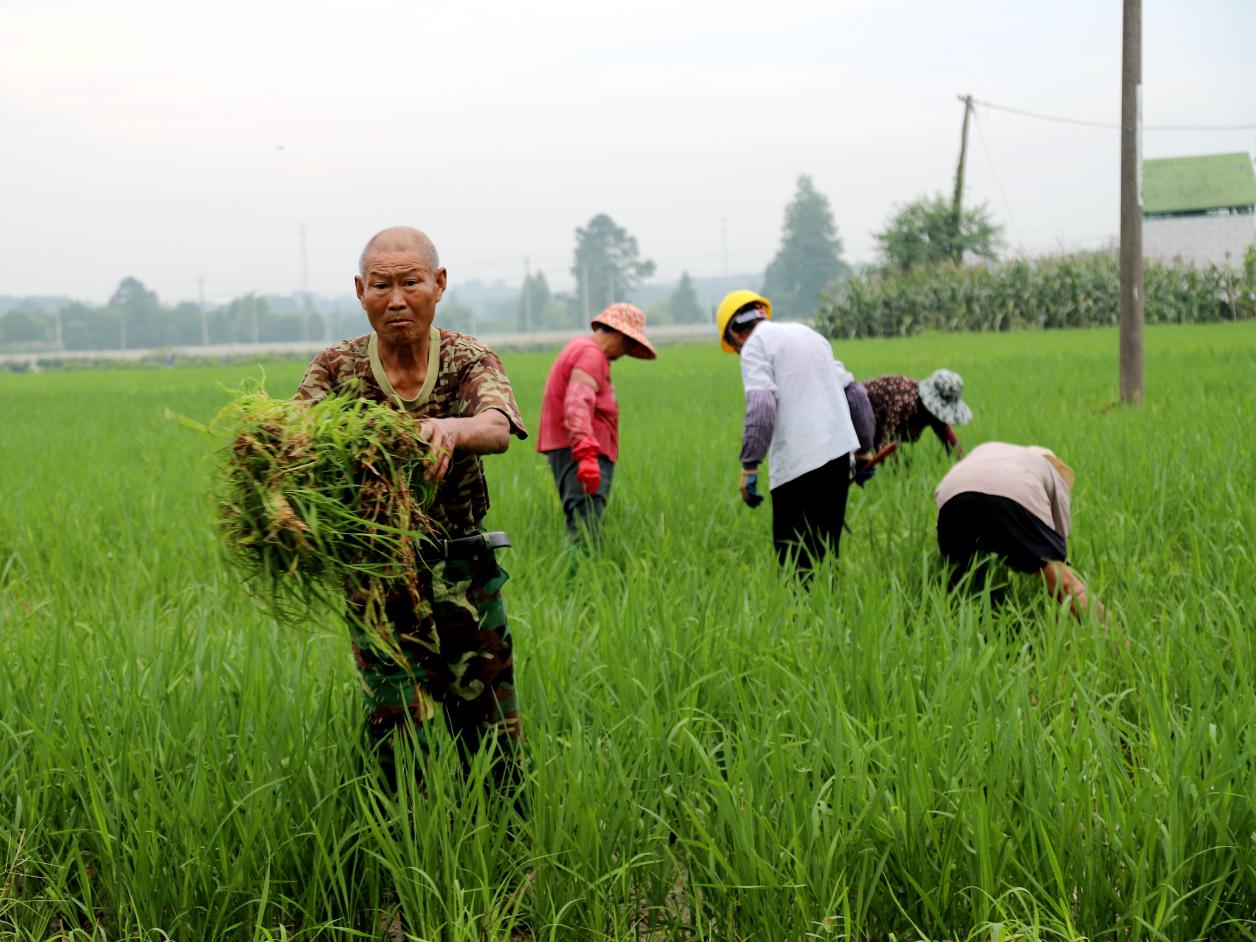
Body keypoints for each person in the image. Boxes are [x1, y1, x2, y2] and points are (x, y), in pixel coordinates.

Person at [295, 226, 528, 789]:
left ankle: (510, 859)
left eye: (410, 282)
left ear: (438, 284)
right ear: (360, 291)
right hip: (377, 579)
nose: (396, 299)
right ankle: (407, 853)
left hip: (461, 575)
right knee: (396, 735)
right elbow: (294, 437)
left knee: (491, 736)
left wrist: (447, 428)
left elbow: (496, 427)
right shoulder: (336, 369)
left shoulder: (468, 359)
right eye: (381, 285)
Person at [716, 290, 861, 572]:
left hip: (798, 466)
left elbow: (761, 407)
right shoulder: (808, 334)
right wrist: (864, 450)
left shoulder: (753, 347)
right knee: (827, 550)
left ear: (734, 333)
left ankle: (800, 616)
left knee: (793, 557)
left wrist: (749, 467)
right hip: (838, 456)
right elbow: (854, 392)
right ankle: (830, 611)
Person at [934, 442, 1106, 622]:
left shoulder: (994, 452)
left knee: (959, 585)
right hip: (1012, 492)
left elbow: (984, 506)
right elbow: (1059, 539)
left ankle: (955, 628)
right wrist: (1048, 564)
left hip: (950, 496)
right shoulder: (1051, 473)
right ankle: (1114, 637)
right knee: (1067, 586)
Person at [537, 303, 655, 541]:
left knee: (583, 523)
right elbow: (577, 403)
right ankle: (578, 577)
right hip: (581, 454)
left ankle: (580, 575)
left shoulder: (578, 348)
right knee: (585, 529)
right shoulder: (591, 355)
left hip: (572, 450)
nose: (625, 353)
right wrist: (587, 455)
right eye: (628, 345)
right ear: (620, 335)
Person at [864, 369, 972, 454]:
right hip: (861, 413)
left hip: (880, 421)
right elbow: (885, 444)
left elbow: (947, 437)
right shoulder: (906, 403)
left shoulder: (932, 412)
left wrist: (965, 465)